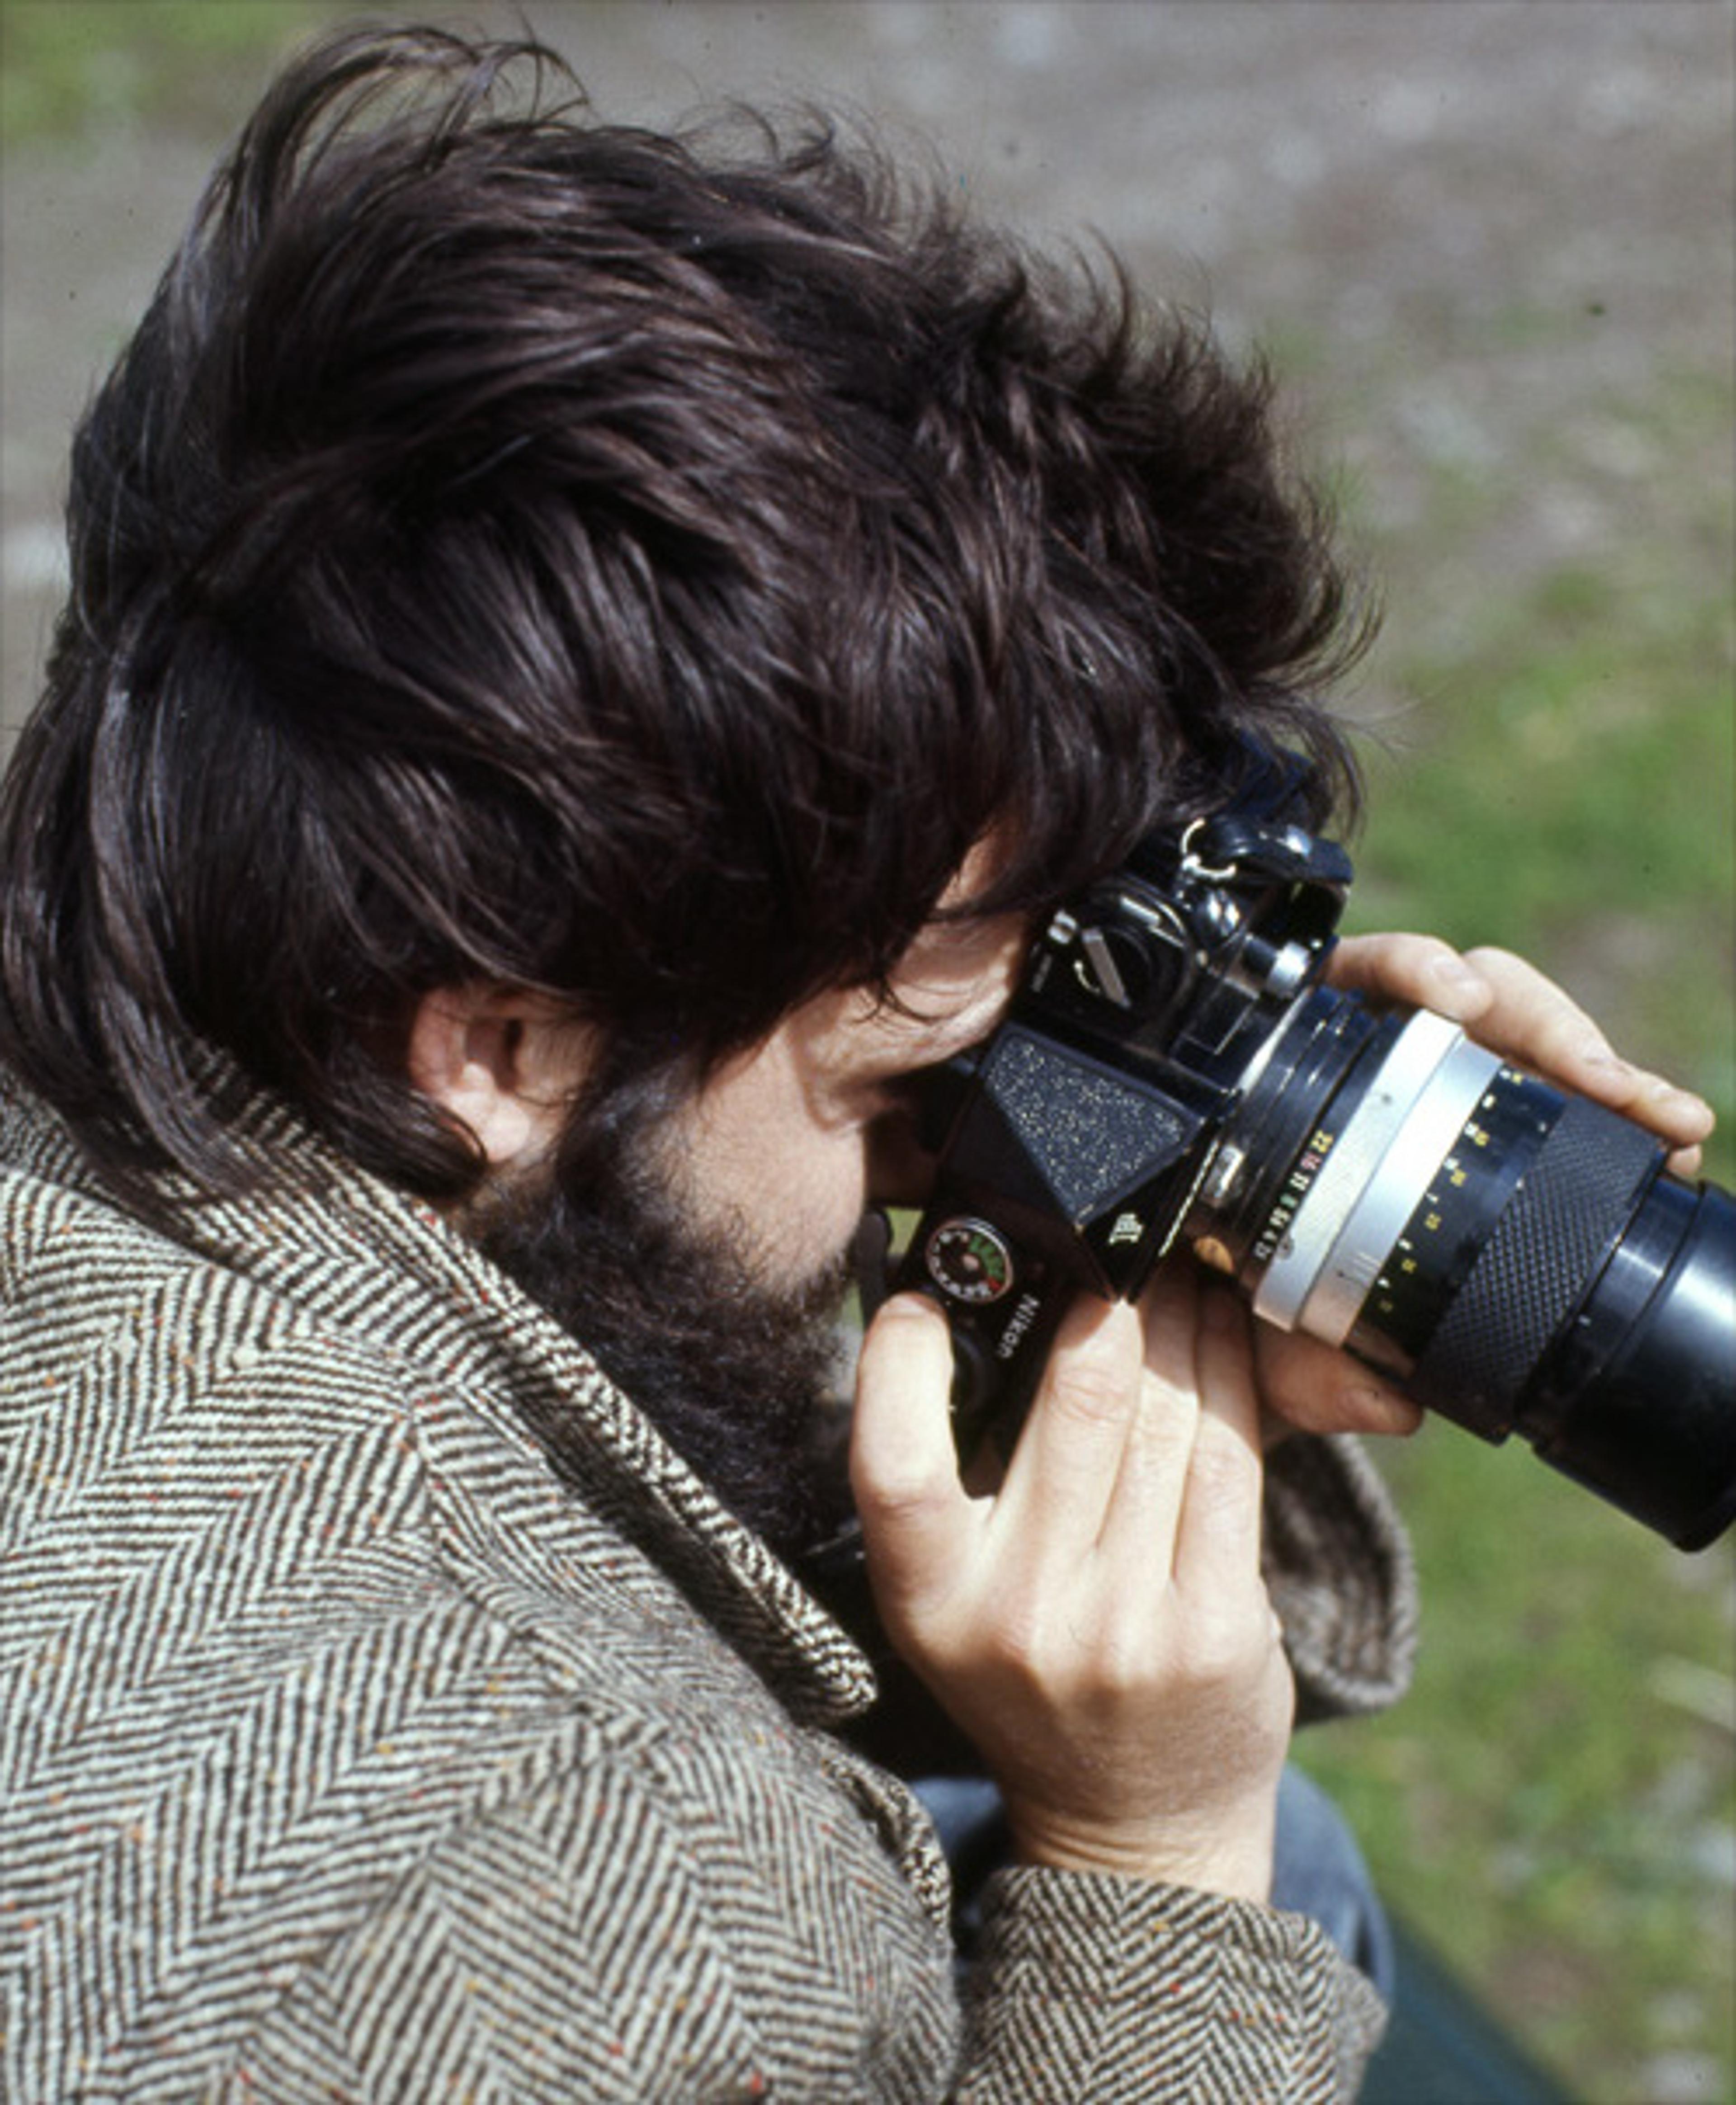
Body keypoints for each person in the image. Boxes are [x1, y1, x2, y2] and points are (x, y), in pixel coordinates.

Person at [0, 26, 1711, 2102]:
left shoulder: (122, 1087)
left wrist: (1169, 1247)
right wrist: (1150, 1878)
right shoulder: (632, 1902)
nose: (931, 1171)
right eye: (896, 1092)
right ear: (505, 1042)